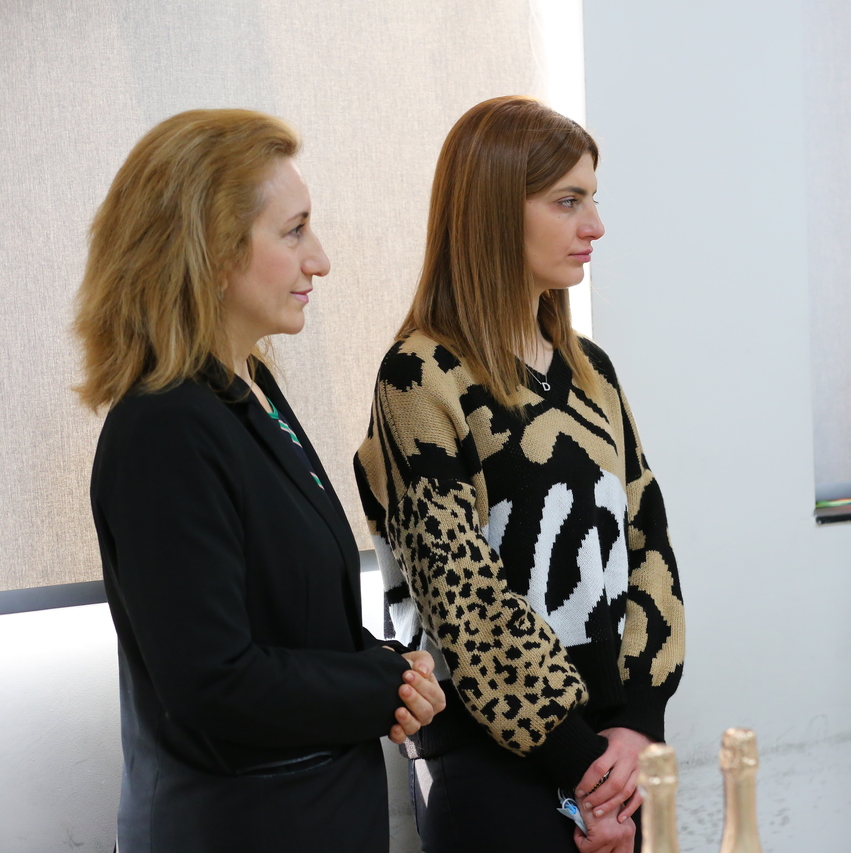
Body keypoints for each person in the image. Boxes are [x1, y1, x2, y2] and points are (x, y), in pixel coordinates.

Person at [75, 109, 446, 853]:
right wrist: (384, 688)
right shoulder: (164, 429)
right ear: (211, 252)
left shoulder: (252, 389)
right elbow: (213, 680)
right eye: (294, 231)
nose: (320, 260)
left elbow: (290, 619)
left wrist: (386, 665)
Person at [354, 95, 686, 853]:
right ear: (495, 211)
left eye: (593, 198)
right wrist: (582, 766)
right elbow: (462, 596)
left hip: (617, 764)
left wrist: (638, 726)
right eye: (568, 201)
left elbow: (650, 544)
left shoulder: (591, 369)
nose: (594, 225)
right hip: (494, 775)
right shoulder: (420, 375)